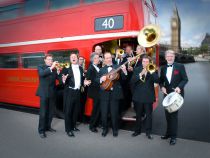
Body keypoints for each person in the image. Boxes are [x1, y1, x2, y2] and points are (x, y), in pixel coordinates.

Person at [159, 50, 188, 145]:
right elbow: (161, 81)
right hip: (167, 95)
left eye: (171, 56)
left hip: (176, 95)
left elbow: (185, 79)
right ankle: (168, 133)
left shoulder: (180, 66)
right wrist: (162, 87)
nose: (170, 58)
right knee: (167, 116)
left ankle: (173, 137)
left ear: (174, 57)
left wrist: (179, 87)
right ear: (165, 57)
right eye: (168, 56)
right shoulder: (163, 68)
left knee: (173, 116)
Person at [97, 52, 127, 137]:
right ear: (104, 60)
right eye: (107, 58)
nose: (109, 59)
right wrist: (100, 79)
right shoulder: (101, 69)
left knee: (115, 113)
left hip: (115, 94)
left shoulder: (117, 67)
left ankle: (115, 129)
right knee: (104, 113)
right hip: (104, 94)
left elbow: (124, 79)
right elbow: (96, 80)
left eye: (110, 57)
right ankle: (105, 129)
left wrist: (124, 71)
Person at [131, 55, 159, 139]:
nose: (145, 63)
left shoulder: (153, 69)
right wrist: (140, 74)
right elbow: (132, 81)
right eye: (144, 62)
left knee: (149, 115)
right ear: (141, 62)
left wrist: (152, 72)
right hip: (138, 96)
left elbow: (157, 80)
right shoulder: (137, 69)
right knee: (138, 115)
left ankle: (148, 132)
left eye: (147, 62)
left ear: (149, 62)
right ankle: (137, 131)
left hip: (148, 96)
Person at [62, 52, 89, 137]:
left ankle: (73, 126)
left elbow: (81, 79)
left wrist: (84, 82)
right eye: (72, 57)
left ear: (77, 59)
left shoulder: (80, 68)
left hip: (77, 92)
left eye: (75, 57)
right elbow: (61, 80)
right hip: (69, 92)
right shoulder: (66, 69)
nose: (73, 58)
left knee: (75, 111)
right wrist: (63, 80)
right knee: (68, 111)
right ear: (70, 59)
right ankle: (68, 129)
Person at [36, 54, 59, 138]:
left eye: (51, 59)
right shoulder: (40, 67)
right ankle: (41, 130)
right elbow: (42, 74)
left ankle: (48, 127)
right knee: (43, 113)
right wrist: (51, 67)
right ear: (45, 60)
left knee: (50, 112)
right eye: (49, 59)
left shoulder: (54, 69)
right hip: (44, 93)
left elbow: (58, 79)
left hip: (52, 93)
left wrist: (62, 77)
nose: (50, 61)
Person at [85, 52, 101, 133]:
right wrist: (100, 81)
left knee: (98, 109)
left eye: (98, 58)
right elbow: (89, 80)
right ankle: (92, 126)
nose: (98, 59)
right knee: (95, 109)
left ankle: (96, 123)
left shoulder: (97, 67)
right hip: (95, 92)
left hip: (98, 92)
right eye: (97, 58)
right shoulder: (91, 68)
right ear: (93, 59)